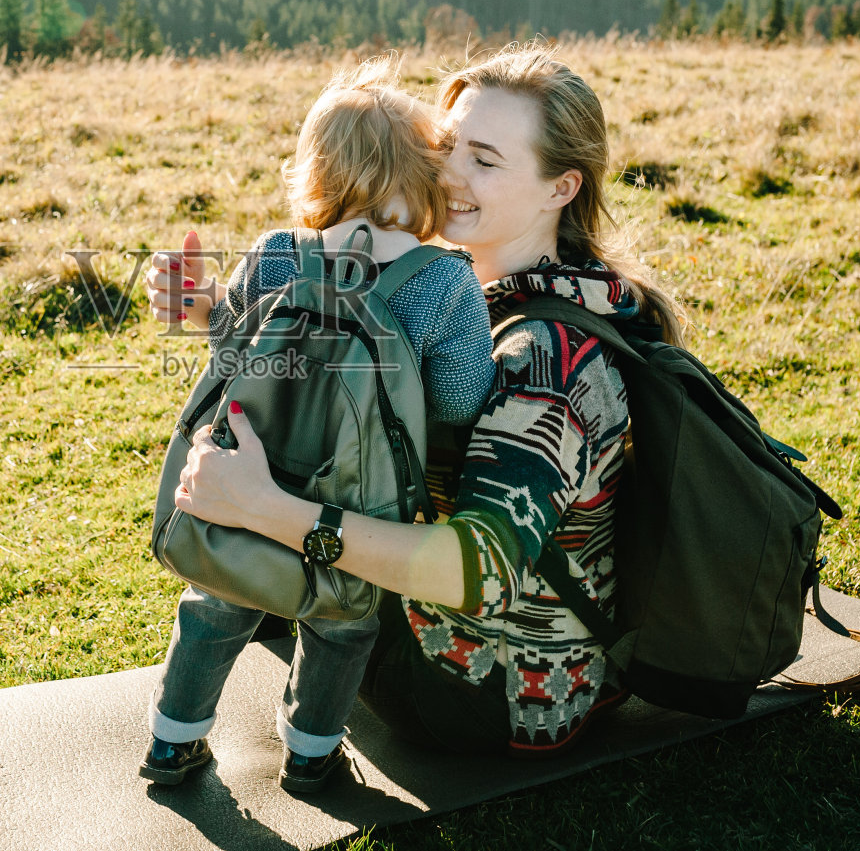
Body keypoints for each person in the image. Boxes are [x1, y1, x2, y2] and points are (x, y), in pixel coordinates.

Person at [150, 44, 685, 758]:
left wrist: (267, 509)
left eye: (485, 161)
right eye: (448, 146)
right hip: (446, 625)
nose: (448, 172)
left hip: (483, 684)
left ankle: (228, 713)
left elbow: (479, 572)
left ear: (561, 188)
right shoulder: (460, 291)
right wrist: (218, 311)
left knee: (260, 556)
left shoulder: (546, 360)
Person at [139, 58, 495, 793]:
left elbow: (232, 348)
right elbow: (460, 402)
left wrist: (200, 302)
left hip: (248, 479)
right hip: (355, 504)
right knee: (343, 624)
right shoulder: (443, 279)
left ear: (316, 172)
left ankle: (173, 743)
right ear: (423, 173)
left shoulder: (278, 253)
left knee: (215, 605)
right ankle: (310, 751)